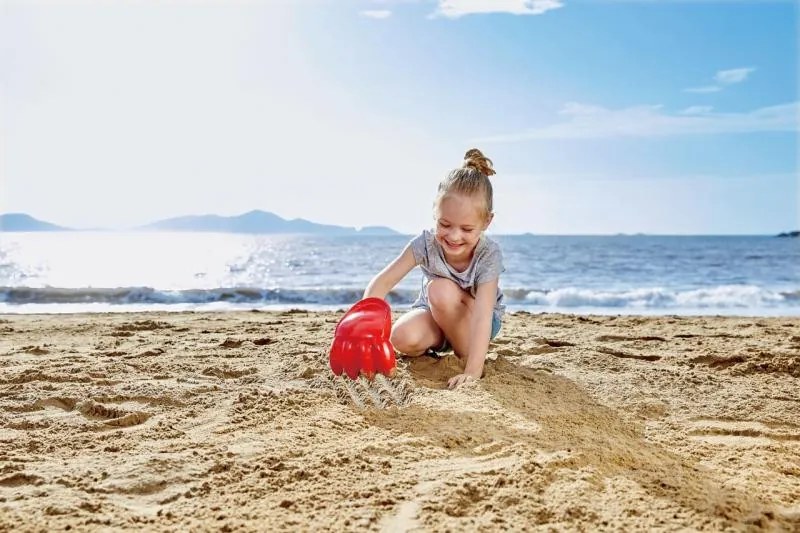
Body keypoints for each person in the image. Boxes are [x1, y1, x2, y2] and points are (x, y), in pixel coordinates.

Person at [363, 148, 505, 390]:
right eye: (445, 224)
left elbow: (483, 314)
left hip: (477, 321)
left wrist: (472, 370)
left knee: (439, 290)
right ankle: (442, 343)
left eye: (467, 229)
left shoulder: (488, 255)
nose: (454, 236)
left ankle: (463, 353)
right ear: (434, 212)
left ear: (486, 222)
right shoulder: (425, 244)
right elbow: (383, 282)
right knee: (401, 337)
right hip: (437, 313)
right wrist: (366, 328)